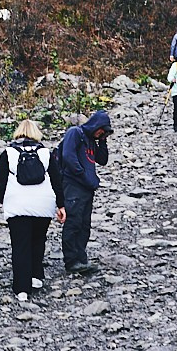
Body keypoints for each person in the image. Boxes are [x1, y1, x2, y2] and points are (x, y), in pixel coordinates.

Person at [0, 119, 65, 304]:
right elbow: (57, 180)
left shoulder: (8, 153)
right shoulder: (45, 153)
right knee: (38, 240)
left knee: (20, 245)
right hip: (43, 204)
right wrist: (61, 205)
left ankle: (22, 289)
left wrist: (3, 200)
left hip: (17, 204)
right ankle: (36, 276)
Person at [58, 109, 112, 275]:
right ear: (96, 125)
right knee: (73, 222)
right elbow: (68, 156)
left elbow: (102, 160)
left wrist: (102, 140)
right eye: (101, 130)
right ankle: (72, 261)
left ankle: (81, 259)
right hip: (73, 184)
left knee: (84, 225)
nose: (100, 134)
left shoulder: (91, 140)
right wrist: (82, 175)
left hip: (87, 188)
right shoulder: (75, 133)